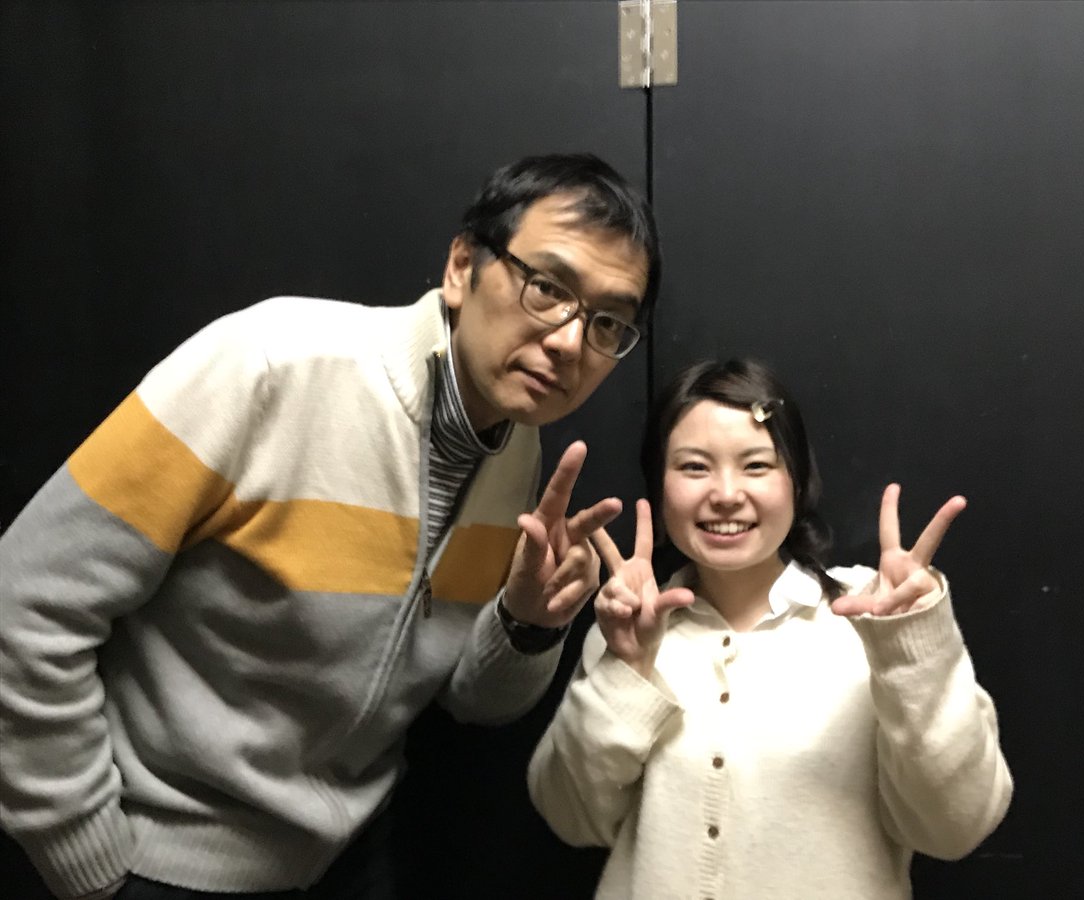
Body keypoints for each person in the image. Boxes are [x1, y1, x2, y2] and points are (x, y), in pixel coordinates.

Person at [0, 153, 660, 899]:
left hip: (347, 857)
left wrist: (528, 622)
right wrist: (82, 854)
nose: (571, 341)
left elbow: (471, 701)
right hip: (160, 857)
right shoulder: (271, 364)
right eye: (547, 288)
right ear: (461, 267)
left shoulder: (516, 449)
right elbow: (24, 603)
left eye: (608, 322)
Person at [528, 358, 1013, 899]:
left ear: (797, 482)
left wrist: (912, 648)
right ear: (660, 487)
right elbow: (571, 819)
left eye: (756, 465)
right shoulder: (627, 626)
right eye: (694, 467)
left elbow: (955, 827)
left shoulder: (872, 617)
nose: (726, 493)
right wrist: (628, 668)